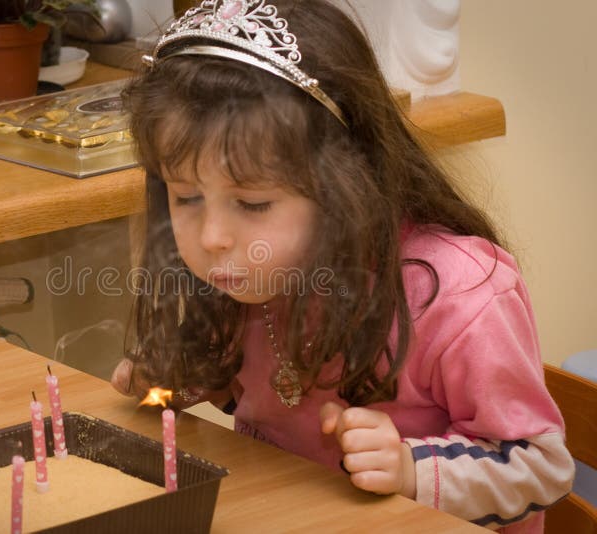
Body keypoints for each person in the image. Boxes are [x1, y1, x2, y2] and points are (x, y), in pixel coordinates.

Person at [110, 1, 574, 531]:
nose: (212, 237)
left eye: (253, 204)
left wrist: (410, 471)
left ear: (343, 184)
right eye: (187, 197)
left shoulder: (461, 295)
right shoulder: (249, 273)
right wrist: (174, 384)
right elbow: (249, 396)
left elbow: (541, 466)